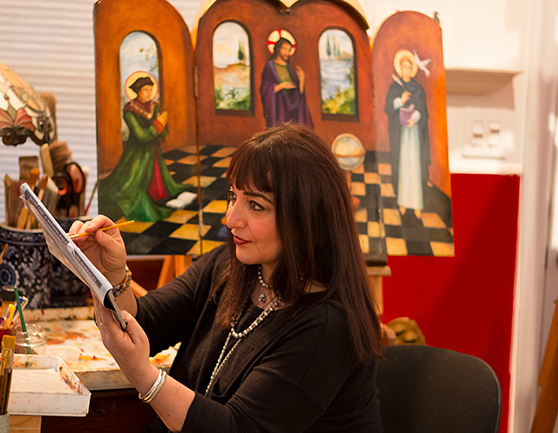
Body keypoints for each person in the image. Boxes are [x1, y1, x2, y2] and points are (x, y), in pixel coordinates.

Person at [71, 123, 383, 432]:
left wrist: (143, 375)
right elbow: (148, 324)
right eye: (233, 196)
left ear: (306, 219)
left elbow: (238, 428)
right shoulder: (231, 264)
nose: (231, 218)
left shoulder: (329, 326)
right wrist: (111, 274)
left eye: (256, 206)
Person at [99, 75, 191, 222]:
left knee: (158, 178)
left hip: (153, 151)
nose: (148, 93)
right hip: (137, 153)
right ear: (138, 91)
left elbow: (164, 131)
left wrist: (163, 124)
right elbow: (141, 136)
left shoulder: (154, 107)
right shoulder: (130, 110)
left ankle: (158, 193)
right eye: (145, 90)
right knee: (132, 185)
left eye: (150, 89)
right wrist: (158, 124)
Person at [384, 50, 431, 219]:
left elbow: (423, 112)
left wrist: (415, 118)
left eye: (408, 67)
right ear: (400, 69)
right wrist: (400, 101)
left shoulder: (418, 89)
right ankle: (403, 202)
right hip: (402, 135)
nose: (405, 70)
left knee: (415, 168)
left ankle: (416, 204)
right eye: (403, 67)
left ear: (412, 69)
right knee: (404, 167)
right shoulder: (395, 87)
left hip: (415, 135)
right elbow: (388, 108)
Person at [260, 38, 314, 129]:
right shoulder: (270, 67)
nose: (287, 52)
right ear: (278, 49)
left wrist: (301, 81)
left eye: (289, 50)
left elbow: (298, 94)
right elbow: (265, 89)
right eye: (284, 49)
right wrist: (281, 86)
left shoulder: (289, 67)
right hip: (279, 106)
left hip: (291, 106)